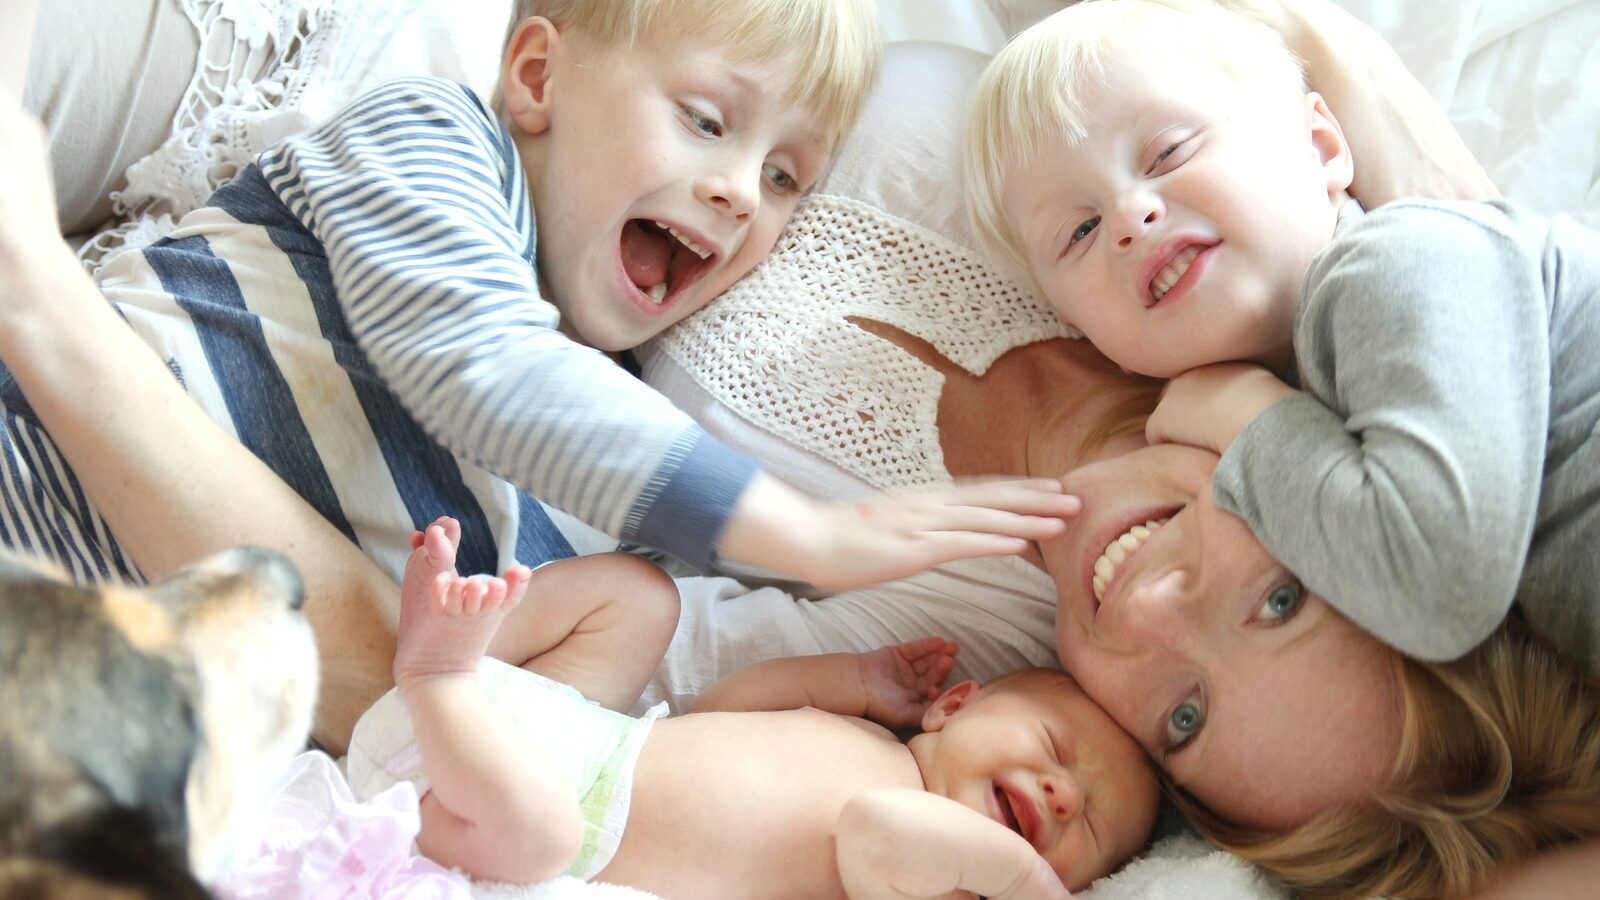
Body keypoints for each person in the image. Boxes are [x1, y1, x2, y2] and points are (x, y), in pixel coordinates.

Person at [4, 0, 1596, 894]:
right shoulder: (1198, 231)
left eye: (1180, 719)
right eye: (1279, 599)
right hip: (418, 128)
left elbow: (553, 700)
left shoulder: (964, 651)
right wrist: (1332, 62)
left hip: (273, 447)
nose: (1150, 611)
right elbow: (1414, 215)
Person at [4, 0, 1079, 629]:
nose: (741, 190)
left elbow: (646, 645)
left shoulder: (606, 470)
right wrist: (800, 532)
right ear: (535, 78)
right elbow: (472, 358)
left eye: (788, 178)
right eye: (707, 121)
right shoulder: (429, 142)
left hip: (104, 674)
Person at [964, 0, 1600, 671]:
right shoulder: (1294, 391)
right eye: (1080, 232)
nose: (1128, 214)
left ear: (1322, 146)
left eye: (1168, 151)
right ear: (1082, 333)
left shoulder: (1406, 257)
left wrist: (1246, 416)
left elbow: (1439, 586)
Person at [350, 515, 1157, 896]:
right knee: (640, 597)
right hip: (588, 737)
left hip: (550, 838)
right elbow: (719, 708)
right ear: (953, 705)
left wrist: (1023, 887)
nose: (1063, 793)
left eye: (1092, 827)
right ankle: (469, 627)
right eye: (1056, 748)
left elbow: (879, 827)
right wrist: (854, 682)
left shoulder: (935, 883)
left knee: (545, 831)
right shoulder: (860, 736)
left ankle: (436, 679)